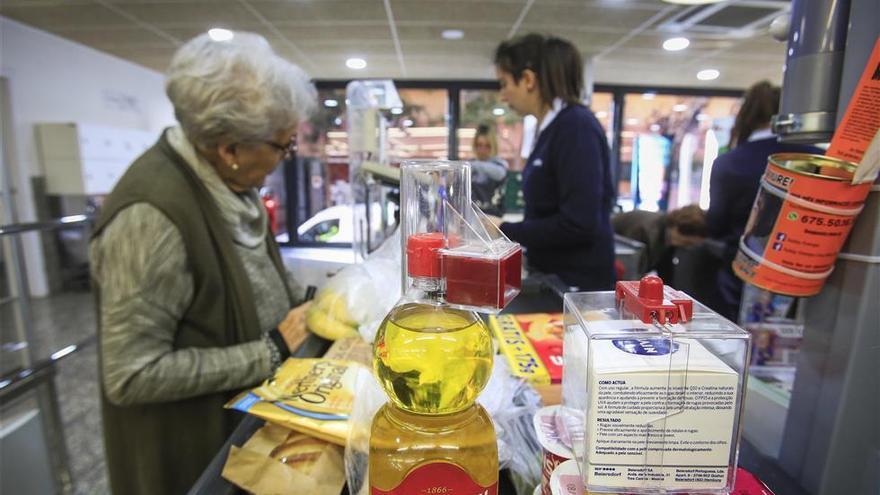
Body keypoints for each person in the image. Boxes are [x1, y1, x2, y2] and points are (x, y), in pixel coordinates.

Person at [89, 32, 317, 495]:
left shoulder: (232, 185)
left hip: (243, 429)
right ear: (230, 149)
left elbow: (258, 278)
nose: (283, 159)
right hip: (189, 459)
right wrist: (271, 348)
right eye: (281, 146)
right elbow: (131, 374)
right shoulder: (151, 220)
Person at [494, 33, 615, 290]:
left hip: (575, 285)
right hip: (552, 276)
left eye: (504, 84)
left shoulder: (576, 127)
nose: (503, 95)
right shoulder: (549, 130)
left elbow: (579, 224)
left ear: (528, 79)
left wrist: (506, 229)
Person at [705, 80, 822, 319]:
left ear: (746, 116)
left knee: (737, 349)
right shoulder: (820, 161)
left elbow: (716, 225)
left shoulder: (730, 163)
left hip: (741, 277)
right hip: (807, 282)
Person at [612, 205, 708, 280]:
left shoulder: (667, 234)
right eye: (687, 243)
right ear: (677, 229)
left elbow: (666, 274)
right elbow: (630, 274)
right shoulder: (646, 232)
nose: (686, 247)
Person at [470, 124, 509, 216]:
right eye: (479, 145)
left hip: (493, 217)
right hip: (472, 216)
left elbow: (499, 174)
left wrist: (473, 165)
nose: (482, 150)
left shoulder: (499, 164)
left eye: (487, 146)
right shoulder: (470, 164)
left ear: (493, 146)